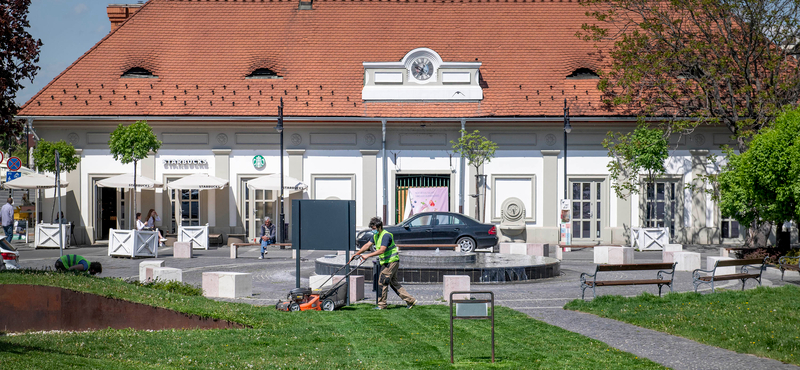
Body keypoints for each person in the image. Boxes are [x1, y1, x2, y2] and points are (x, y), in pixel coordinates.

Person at [350, 217, 417, 310]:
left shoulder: (386, 236)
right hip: (387, 262)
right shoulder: (376, 236)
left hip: (391, 261)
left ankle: (382, 305)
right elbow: (367, 245)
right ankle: (411, 300)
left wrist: (367, 255)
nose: (373, 230)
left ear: (379, 227)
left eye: (374, 228)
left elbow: (382, 250)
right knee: (393, 283)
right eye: (372, 228)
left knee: (382, 282)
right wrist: (357, 254)